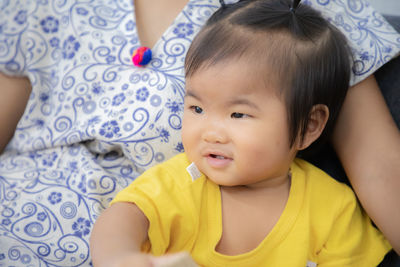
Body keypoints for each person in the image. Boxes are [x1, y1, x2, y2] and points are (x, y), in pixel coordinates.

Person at [0, 0, 399, 266]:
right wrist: (122, 257)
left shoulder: (332, 208)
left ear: (310, 125)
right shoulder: (183, 179)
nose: (211, 132)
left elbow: (381, 169)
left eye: (239, 115)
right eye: (195, 108)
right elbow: (124, 218)